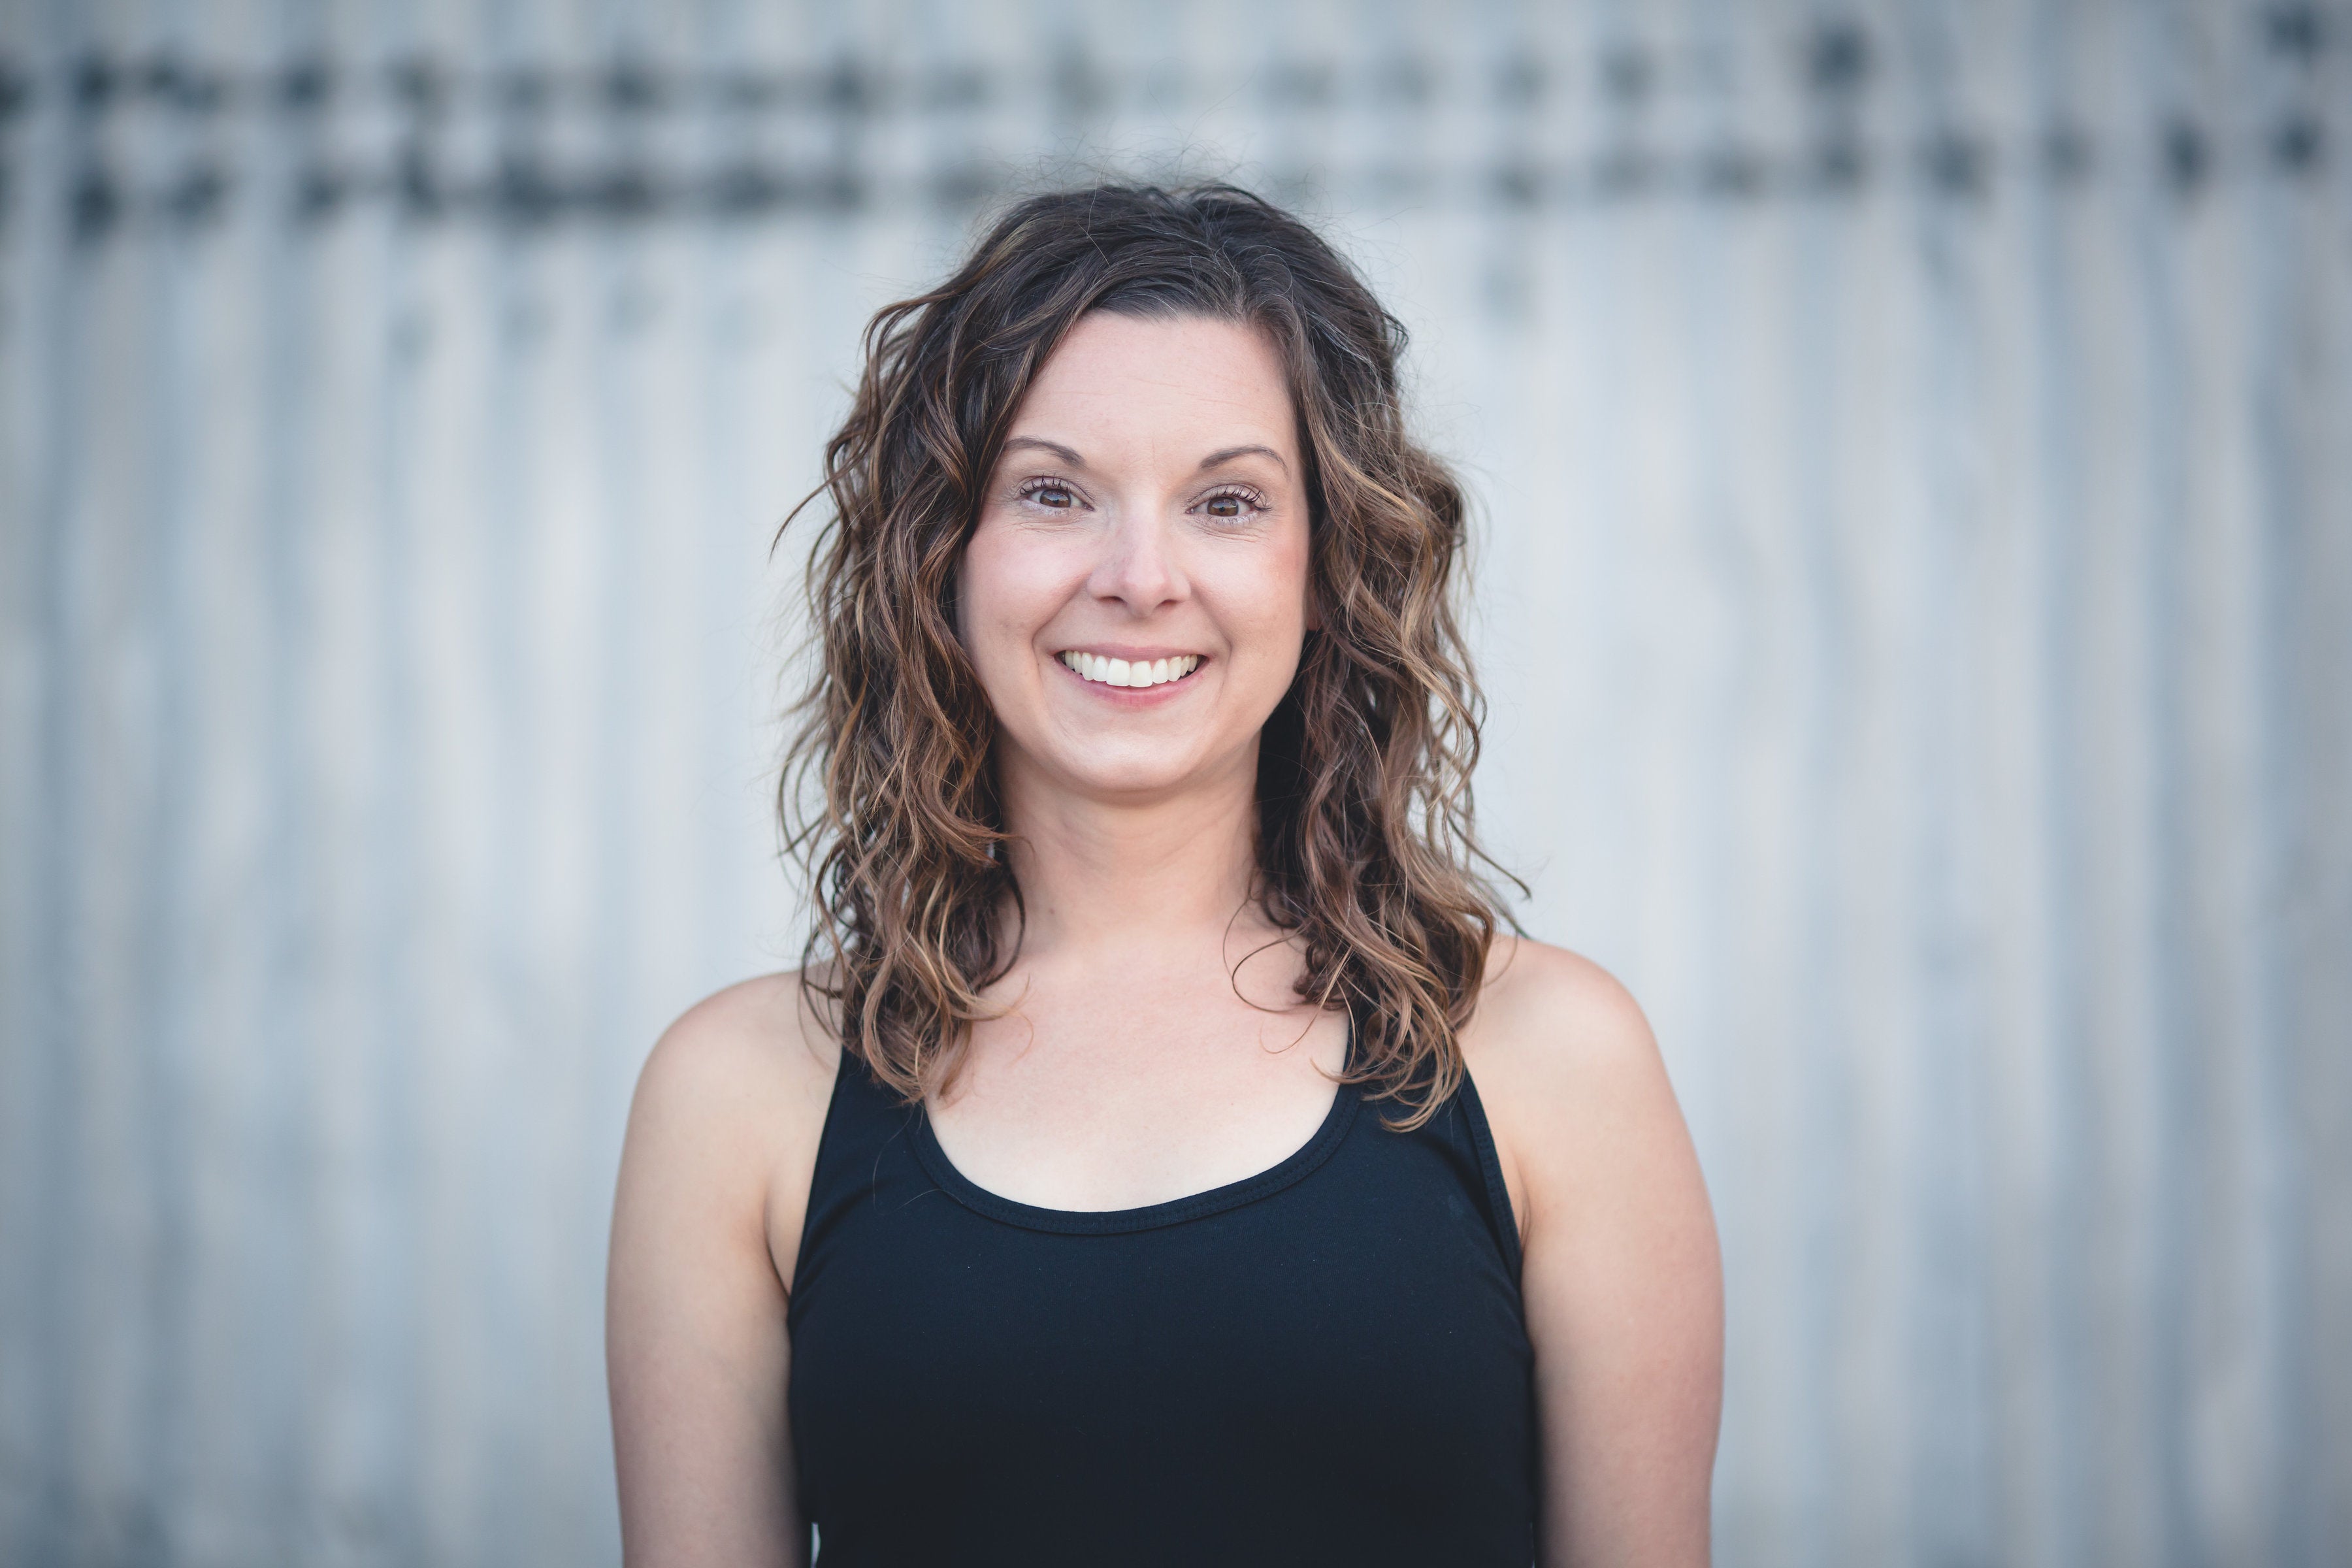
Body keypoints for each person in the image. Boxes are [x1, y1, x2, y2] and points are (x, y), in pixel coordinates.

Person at [606, 183, 1721, 1567]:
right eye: (1054, 492)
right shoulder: (737, 1098)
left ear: (1328, 566)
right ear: (942, 556)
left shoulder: (1552, 1061)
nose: (1141, 576)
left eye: (1228, 500)